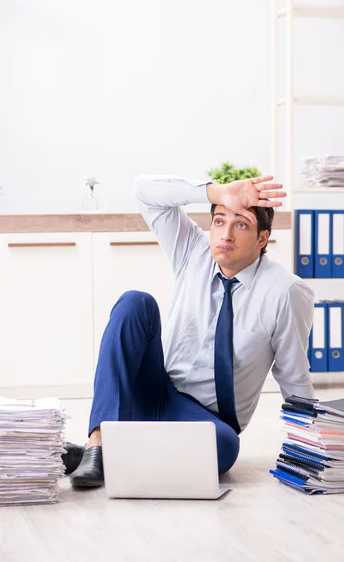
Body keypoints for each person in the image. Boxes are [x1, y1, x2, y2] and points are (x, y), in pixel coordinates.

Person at [62, 174, 315, 487]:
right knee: (135, 303)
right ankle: (98, 441)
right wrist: (217, 191)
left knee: (224, 446)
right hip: (156, 390)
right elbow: (144, 191)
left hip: (205, 421)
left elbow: (293, 376)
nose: (226, 234)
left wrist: (311, 454)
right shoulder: (193, 251)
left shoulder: (286, 291)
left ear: (262, 238)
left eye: (241, 225)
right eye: (219, 221)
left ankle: (104, 456)